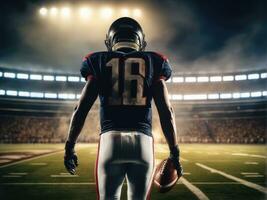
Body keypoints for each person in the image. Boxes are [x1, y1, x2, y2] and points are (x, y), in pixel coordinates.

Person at [64, 17, 183, 200]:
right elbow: (167, 112)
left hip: (110, 141)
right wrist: (174, 152)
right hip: (142, 143)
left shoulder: (97, 61)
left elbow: (81, 109)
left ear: (110, 40)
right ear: (141, 41)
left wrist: (70, 146)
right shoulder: (154, 61)